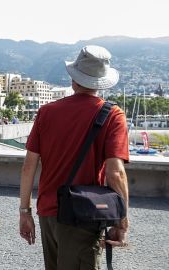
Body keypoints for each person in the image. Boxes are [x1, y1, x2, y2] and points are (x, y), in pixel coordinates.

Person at [18, 45, 130, 270]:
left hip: (48, 213)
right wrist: (121, 220)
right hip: (84, 215)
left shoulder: (46, 112)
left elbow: (29, 166)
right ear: (101, 82)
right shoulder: (112, 115)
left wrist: (24, 212)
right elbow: (115, 172)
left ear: (74, 80)